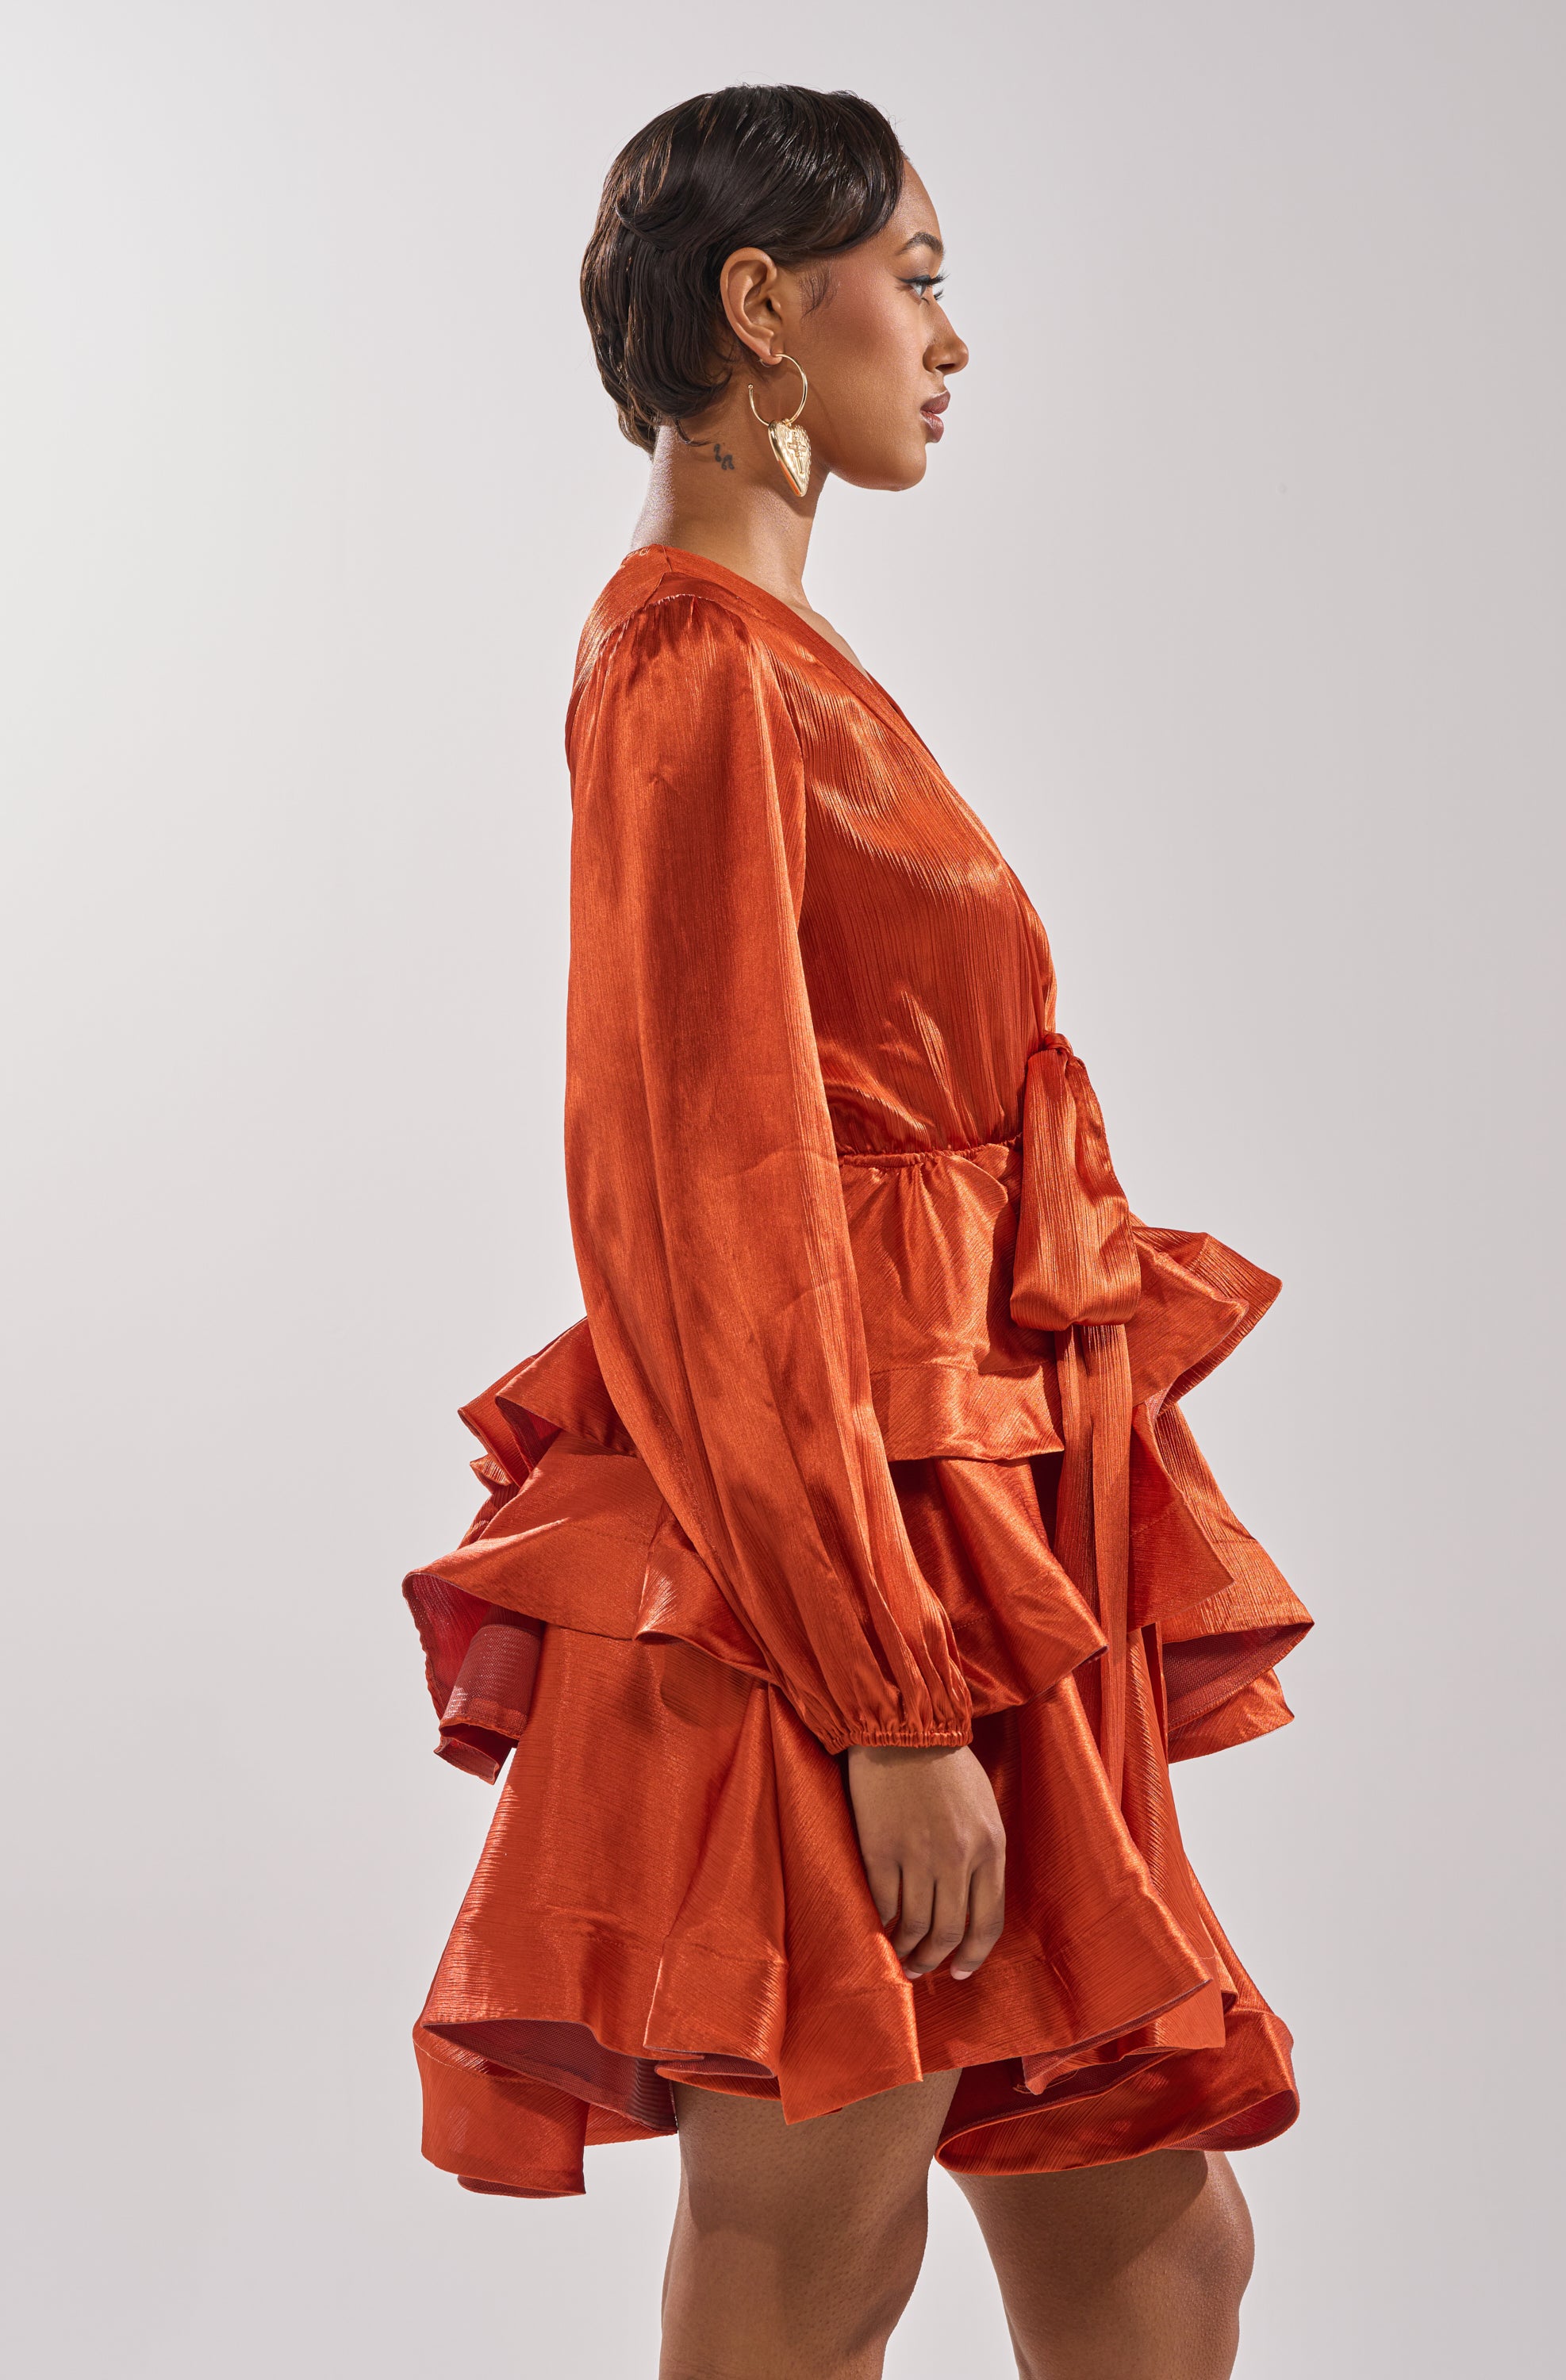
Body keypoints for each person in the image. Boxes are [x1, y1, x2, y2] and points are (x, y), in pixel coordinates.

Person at [402, 83, 1311, 2379]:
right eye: (911, 275)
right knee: (821, 2216)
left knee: (1152, 2233)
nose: (949, 336)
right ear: (759, 312)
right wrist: (885, 1694)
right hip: (856, 1569)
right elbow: (698, 1202)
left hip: (983, 1507)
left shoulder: (776, 664)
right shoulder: (691, 666)